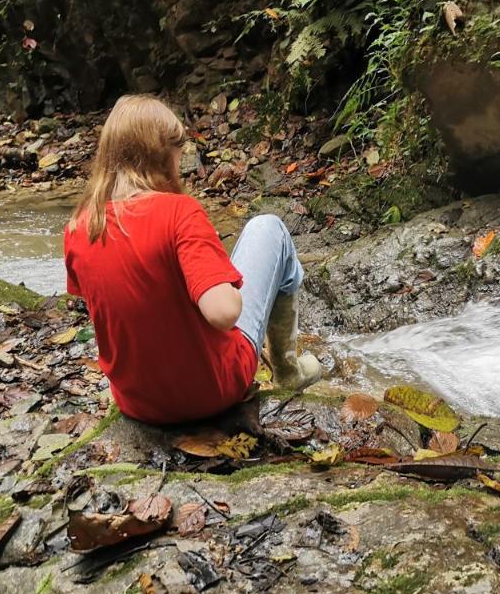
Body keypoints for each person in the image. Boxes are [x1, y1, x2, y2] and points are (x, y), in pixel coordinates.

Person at [62, 95, 322, 426]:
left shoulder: (79, 226)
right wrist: (225, 275)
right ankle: (289, 372)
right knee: (268, 227)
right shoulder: (179, 212)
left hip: (137, 404)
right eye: (177, 156)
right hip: (212, 392)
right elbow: (224, 313)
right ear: (160, 157)